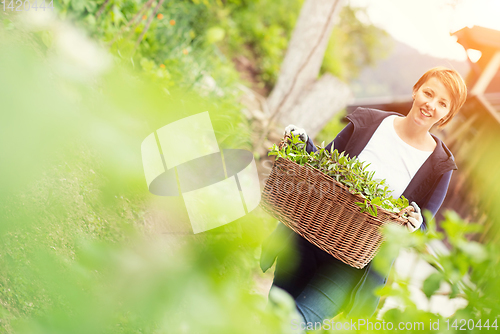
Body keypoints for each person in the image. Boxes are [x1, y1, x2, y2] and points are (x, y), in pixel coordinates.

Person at [260, 67, 468, 326]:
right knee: (273, 313)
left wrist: (414, 224)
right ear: (416, 90)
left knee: (297, 321)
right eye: (429, 93)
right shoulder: (369, 122)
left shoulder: (439, 165)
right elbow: (325, 165)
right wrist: (304, 144)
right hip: (309, 236)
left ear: (448, 114)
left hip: (354, 265)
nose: (431, 104)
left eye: (442, 103)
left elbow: (423, 226)